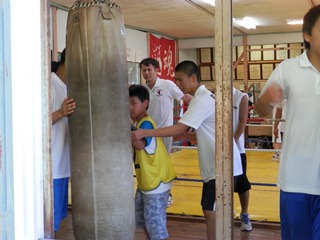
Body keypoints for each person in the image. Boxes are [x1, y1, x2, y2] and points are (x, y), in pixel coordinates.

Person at [132, 61, 243, 240]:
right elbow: (203, 131)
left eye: (180, 79)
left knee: (211, 210)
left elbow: (178, 128)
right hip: (218, 166)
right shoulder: (203, 98)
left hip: (223, 165)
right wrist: (185, 137)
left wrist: (144, 132)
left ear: (193, 78)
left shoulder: (202, 99)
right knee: (211, 209)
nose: (177, 84)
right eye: (176, 80)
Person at [255, 5, 320, 239]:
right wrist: (267, 100)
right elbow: (262, 109)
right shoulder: (288, 69)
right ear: (307, 35)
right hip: (296, 180)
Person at [140, 57, 192, 207]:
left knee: (164, 165)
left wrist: (201, 103)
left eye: (150, 69)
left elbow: (185, 97)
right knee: (148, 164)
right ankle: (150, 193)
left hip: (164, 134)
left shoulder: (167, 85)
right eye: (144, 70)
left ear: (157, 71)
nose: (147, 73)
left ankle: (167, 194)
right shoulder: (143, 90)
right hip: (147, 134)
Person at [129, 84, 176, 240]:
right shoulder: (138, 124)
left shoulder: (146, 124)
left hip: (156, 180)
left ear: (145, 104)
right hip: (147, 181)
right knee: (143, 219)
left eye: (133, 103)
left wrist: (125, 127)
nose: (129, 107)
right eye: (127, 103)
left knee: (155, 223)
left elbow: (140, 144)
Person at [51, 49, 76, 232]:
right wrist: (60, 113)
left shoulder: (68, 88)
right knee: (47, 225)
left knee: (56, 224)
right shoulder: (49, 84)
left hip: (63, 167)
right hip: (50, 171)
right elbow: (32, 124)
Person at [233, 87, 252, 231]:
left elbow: (242, 122)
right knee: (219, 183)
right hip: (218, 148)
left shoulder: (241, 96)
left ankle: (244, 213)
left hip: (237, 149)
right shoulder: (214, 96)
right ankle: (224, 214)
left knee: (242, 184)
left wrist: (231, 141)